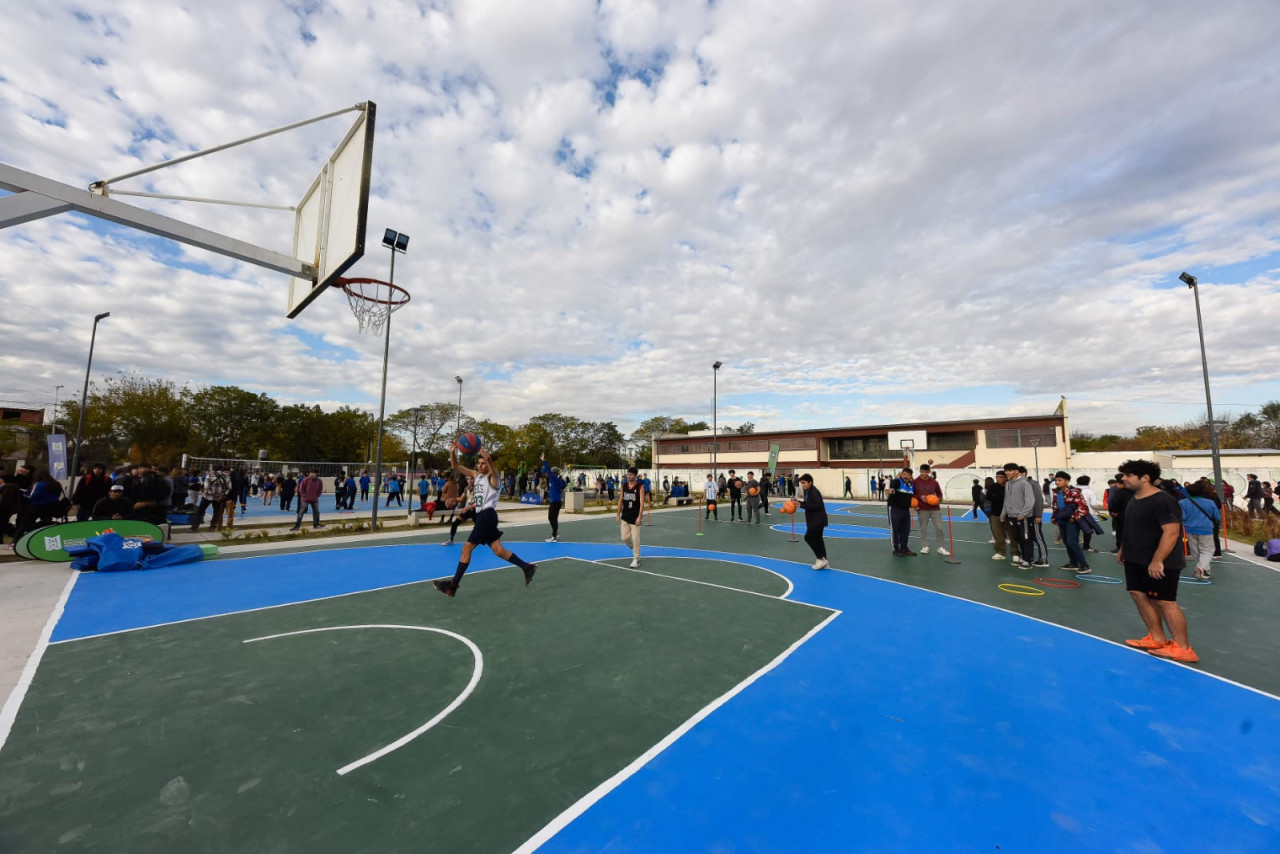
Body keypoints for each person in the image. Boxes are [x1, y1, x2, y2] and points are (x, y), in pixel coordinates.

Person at [1116, 459, 1197, 662]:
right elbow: (1132, 526)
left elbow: (1171, 532)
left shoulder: (1163, 500)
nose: (1123, 478)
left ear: (1145, 478)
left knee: (1165, 601)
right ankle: (1157, 637)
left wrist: (1157, 560)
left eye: (1128, 475)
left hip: (1160, 562)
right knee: (1138, 594)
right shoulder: (1134, 498)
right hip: (1135, 558)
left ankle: (1183, 648)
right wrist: (1124, 549)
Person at [433, 444, 536, 597]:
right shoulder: (476, 475)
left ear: (488, 465)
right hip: (483, 516)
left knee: (466, 548)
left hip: (487, 515)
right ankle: (526, 567)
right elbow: (455, 465)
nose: (480, 465)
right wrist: (453, 451)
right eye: (479, 463)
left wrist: (476, 445)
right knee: (498, 550)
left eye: (483, 463)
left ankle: (453, 585)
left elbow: (488, 458)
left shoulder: (494, 478)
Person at [1051, 471, 1091, 573]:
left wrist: (1073, 517)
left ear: (1067, 481)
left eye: (1060, 480)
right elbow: (1055, 506)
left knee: (1072, 542)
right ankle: (1073, 563)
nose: (1057, 482)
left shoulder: (1074, 492)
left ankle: (1084, 565)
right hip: (1061, 521)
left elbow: (1083, 507)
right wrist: (1054, 518)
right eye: (1056, 480)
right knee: (1066, 542)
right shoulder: (1056, 492)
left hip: (1072, 521)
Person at [1179, 482, 1220, 580]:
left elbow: (1182, 517)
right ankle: (1202, 568)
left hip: (1189, 529)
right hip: (1206, 529)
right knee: (1207, 550)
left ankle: (1204, 570)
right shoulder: (1210, 502)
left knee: (1195, 550)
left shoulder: (1182, 502)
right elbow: (1216, 516)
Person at [1000, 463, 1037, 567]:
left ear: (1016, 471)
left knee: (1026, 538)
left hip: (1023, 517)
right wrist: (1003, 514)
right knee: (1018, 538)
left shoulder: (1024, 483)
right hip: (1011, 516)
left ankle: (1028, 560)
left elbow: (1030, 500)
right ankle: (1024, 558)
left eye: (1010, 470)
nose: (1007, 472)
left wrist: (1023, 514)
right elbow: (1006, 500)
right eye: (1006, 470)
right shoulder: (1008, 484)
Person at [912, 464, 948, 555]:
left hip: (935, 508)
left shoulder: (934, 482)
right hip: (922, 508)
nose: (924, 473)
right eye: (922, 471)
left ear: (929, 472)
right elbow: (912, 494)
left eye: (926, 472)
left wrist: (938, 499)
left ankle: (941, 547)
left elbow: (939, 494)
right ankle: (925, 546)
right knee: (923, 528)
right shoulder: (915, 482)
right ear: (920, 471)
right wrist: (921, 497)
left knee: (939, 528)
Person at [797, 473, 830, 569]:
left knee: (808, 538)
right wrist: (799, 503)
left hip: (817, 520)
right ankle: (825, 561)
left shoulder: (813, 492)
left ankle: (820, 559)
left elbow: (817, 505)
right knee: (818, 539)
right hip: (816, 519)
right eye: (801, 483)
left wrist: (802, 505)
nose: (803, 485)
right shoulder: (808, 491)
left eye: (804, 483)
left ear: (810, 482)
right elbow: (808, 503)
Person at [616, 466, 647, 567]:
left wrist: (640, 517)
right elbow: (620, 500)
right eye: (628, 474)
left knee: (635, 538)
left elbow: (642, 503)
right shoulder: (624, 486)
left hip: (635, 517)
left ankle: (636, 558)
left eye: (631, 474)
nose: (628, 476)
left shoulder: (640, 487)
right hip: (625, 516)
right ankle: (633, 547)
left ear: (635, 476)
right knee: (624, 538)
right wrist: (618, 514)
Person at [887, 467, 916, 557]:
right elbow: (893, 484)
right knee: (895, 530)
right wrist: (892, 488)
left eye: (908, 475)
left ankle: (904, 548)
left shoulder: (911, 485)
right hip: (895, 509)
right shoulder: (897, 482)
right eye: (904, 474)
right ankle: (895, 549)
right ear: (901, 474)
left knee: (906, 530)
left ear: (910, 476)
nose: (906, 476)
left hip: (905, 510)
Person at [541, 452, 566, 542]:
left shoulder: (555, 479)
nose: (549, 473)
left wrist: (544, 461)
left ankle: (554, 535)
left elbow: (547, 470)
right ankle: (554, 533)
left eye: (551, 472)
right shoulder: (557, 480)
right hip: (556, 501)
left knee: (551, 518)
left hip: (555, 502)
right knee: (553, 518)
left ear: (554, 473)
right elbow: (544, 471)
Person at [985, 473, 1008, 560]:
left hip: (1009, 514)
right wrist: (998, 498)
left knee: (1014, 535)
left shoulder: (1009, 486)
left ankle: (1016, 554)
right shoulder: (993, 486)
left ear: (1005, 478)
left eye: (1000, 477)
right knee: (998, 534)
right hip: (995, 513)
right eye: (997, 477)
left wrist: (998, 497)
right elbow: (988, 496)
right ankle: (1000, 552)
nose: (998, 479)